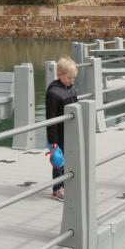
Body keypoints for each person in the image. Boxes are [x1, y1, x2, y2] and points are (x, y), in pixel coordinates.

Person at [45, 56, 78, 201]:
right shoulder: (53, 92)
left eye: (73, 78)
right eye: (69, 77)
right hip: (58, 135)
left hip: (70, 132)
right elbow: (51, 119)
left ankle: (67, 185)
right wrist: (53, 143)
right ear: (60, 74)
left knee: (69, 160)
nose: (72, 80)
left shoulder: (70, 88)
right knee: (59, 162)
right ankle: (57, 189)